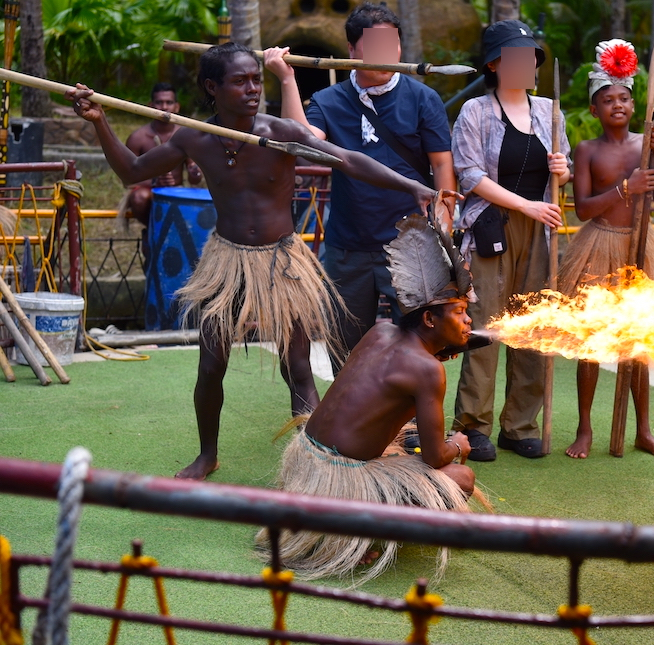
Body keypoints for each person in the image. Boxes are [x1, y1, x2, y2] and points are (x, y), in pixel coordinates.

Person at [66, 42, 446, 480]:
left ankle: (316, 462)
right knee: (210, 366)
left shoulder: (280, 131)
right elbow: (133, 171)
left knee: (298, 367)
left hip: (283, 260)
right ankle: (207, 454)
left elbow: (347, 159)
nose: (252, 89)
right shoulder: (194, 136)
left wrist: (412, 186)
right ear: (212, 87)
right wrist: (99, 122)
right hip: (225, 261)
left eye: (255, 79)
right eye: (240, 81)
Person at [256, 213, 477, 582]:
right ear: (429, 320)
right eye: (459, 312)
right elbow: (437, 457)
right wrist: (457, 444)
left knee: (405, 438)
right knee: (462, 478)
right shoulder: (427, 371)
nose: (468, 320)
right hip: (343, 478)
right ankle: (358, 535)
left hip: (307, 459)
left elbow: (381, 388)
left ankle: (340, 530)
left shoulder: (381, 332)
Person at [263, 2, 457, 372]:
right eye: (376, 45)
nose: (388, 54)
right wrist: (287, 79)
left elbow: (442, 163)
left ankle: (414, 428)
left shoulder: (422, 98)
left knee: (420, 346)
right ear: (352, 50)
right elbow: (302, 144)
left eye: (393, 44)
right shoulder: (329, 100)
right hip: (348, 247)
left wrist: (445, 225)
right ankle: (349, 426)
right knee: (345, 348)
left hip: (412, 244)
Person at [450, 20, 571, 461]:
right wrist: (526, 206)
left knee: (533, 325)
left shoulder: (550, 112)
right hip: (492, 226)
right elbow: (470, 175)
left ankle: (520, 425)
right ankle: (472, 427)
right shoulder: (476, 112)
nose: (527, 63)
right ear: (495, 64)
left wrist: (562, 170)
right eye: (516, 56)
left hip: (541, 231)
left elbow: (566, 168)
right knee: (485, 325)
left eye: (531, 56)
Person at [557, 39, 654, 459]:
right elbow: (582, 209)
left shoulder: (650, 142)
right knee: (590, 341)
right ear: (594, 109)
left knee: (638, 341)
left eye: (625, 98)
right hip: (599, 244)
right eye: (607, 100)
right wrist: (625, 188)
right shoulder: (587, 150)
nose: (618, 105)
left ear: (635, 104)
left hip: (641, 248)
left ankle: (642, 430)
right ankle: (585, 428)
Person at [121, 83, 203, 253]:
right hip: (149, 193)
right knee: (138, 197)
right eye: (159, 103)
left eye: (169, 102)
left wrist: (196, 172)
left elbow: (194, 177)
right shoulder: (138, 138)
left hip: (178, 191)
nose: (164, 107)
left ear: (177, 106)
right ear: (151, 106)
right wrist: (154, 181)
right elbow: (127, 179)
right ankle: (153, 231)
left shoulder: (186, 135)